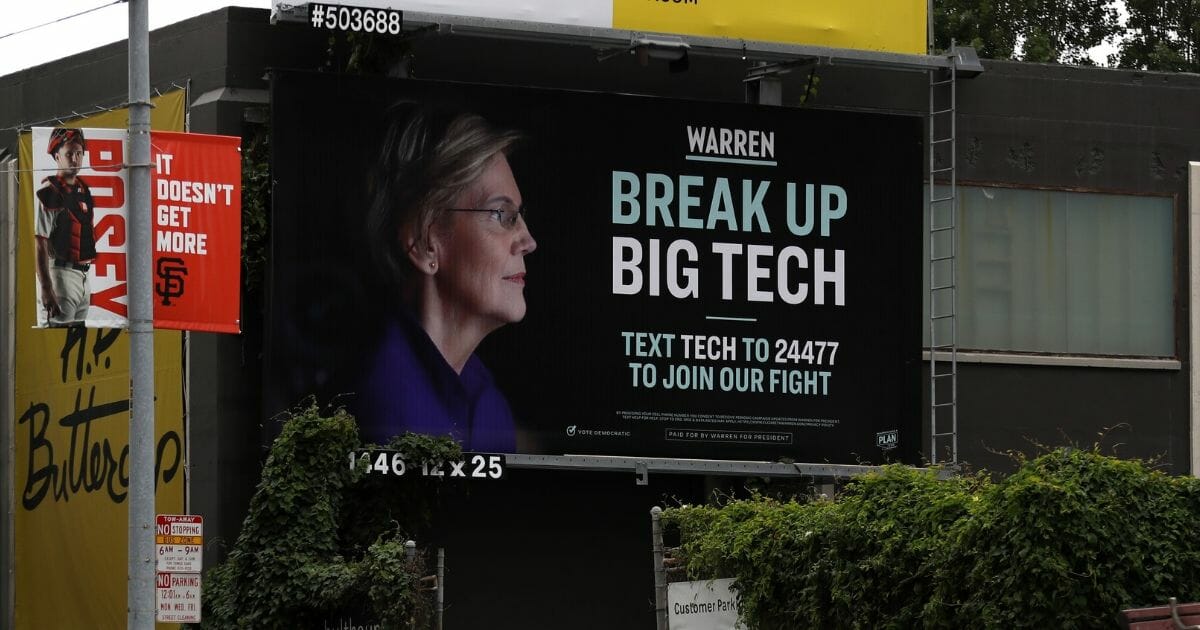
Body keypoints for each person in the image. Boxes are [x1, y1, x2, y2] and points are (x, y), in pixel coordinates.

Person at [357, 102, 537, 452]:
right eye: (502, 215)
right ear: (426, 241)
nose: (529, 241)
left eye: (519, 215)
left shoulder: (489, 405)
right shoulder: (380, 397)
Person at [34, 127, 95, 326]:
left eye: (79, 153)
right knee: (57, 342)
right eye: (69, 153)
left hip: (83, 276)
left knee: (76, 342)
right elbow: (40, 243)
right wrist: (46, 287)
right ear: (57, 156)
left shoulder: (83, 189)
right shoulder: (49, 192)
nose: (75, 159)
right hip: (60, 276)